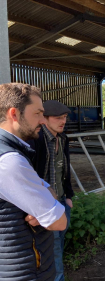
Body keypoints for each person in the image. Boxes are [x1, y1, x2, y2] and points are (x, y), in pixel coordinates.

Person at [0, 83, 67, 280]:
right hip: (25, 271)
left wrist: (46, 197)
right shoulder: (10, 161)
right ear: (14, 114)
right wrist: (48, 199)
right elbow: (58, 221)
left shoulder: (15, 151)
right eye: (38, 113)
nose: (42, 120)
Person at [28, 100, 74, 281]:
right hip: (46, 206)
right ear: (44, 119)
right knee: (52, 251)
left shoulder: (62, 139)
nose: (63, 121)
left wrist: (69, 196)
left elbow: (65, 169)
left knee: (58, 246)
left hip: (62, 201)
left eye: (64, 118)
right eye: (58, 118)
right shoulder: (36, 140)